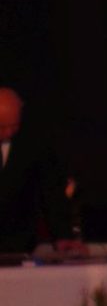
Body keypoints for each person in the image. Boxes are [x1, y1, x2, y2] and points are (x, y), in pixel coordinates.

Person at [0, 88, 73, 255]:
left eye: (14, 126)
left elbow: (51, 191)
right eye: (2, 127)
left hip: (18, 246)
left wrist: (63, 235)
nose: (9, 132)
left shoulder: (34, 141)